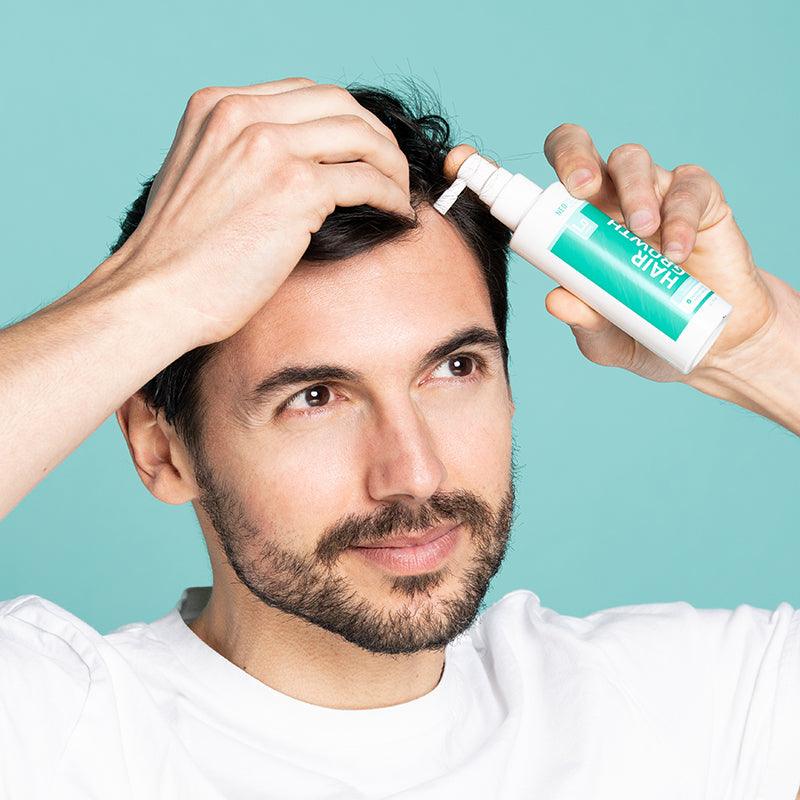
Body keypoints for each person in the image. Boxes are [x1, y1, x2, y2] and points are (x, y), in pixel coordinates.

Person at [0, 76, 797, 800]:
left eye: (453, 368)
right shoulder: (55, 733)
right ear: (161, 448)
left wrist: (756, 351)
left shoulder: (689, 709)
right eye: (316, 396)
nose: (413, 473)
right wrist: (151, 292)